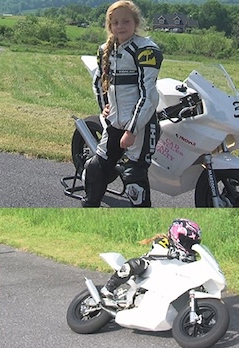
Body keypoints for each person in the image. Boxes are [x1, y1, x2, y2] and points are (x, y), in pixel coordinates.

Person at [82, 0, 163, 207]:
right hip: (115, 123)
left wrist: (132, 130)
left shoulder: (146, 50)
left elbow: (148, 95)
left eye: (126, 21)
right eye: (115, 23)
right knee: (96, 168)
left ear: (135, 22)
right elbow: (99, 83)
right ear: (110, 26)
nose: (121, 26)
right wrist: (105, 108)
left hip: (141, 126)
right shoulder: (104, 50)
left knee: (134, 177)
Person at [103, 219, 202, 298]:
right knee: (137, 263)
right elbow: (157, 249)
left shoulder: (190, 257)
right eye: (187, 241)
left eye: (192, 242)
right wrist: (171, 253)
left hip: (169, 280)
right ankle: (109, 287)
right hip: (151, 268)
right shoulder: (165, 241)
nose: (189, 244)